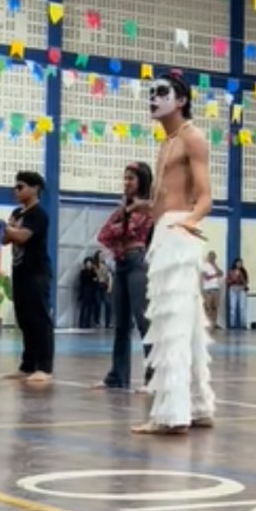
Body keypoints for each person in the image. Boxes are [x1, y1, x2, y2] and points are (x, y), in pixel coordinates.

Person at [133, 73, 215, 434]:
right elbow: (163, 199)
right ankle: (197, 406)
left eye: (162, 92)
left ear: (181, 100)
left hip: (179, 232)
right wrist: (144, 209)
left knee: (171, 325)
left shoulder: (192, 138)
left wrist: (188, 222)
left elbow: (206, 194)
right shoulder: (168, 141)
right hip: (167, 227)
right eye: (151, 93)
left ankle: (170, 415)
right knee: (188, 324)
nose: (154, 98)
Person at [94, 162, 155, 394]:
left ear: (142, 181)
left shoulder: (149, 207)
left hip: (138, 263)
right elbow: (104, 234)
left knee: (144, 322)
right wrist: (123, 219)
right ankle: (117, 376)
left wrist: (123, 223)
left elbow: (131, 232)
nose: (127, 182)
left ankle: (153, 378)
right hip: (120, 265)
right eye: (125, 178)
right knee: (120, 325)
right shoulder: (123, 209)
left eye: (132, 178)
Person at [1, 170, 54, 384]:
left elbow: (22, 236)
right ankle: (28, 364)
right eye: (15, 187)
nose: (16, 190)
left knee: (39, 319)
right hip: (20, 272)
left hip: (37, 272)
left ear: (34, 189)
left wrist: (8, 228)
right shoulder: (18, 212)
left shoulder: (39, 214)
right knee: (24, 319)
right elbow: (5, 239)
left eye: (21, 187)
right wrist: (9, 229)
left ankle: (45, 366)